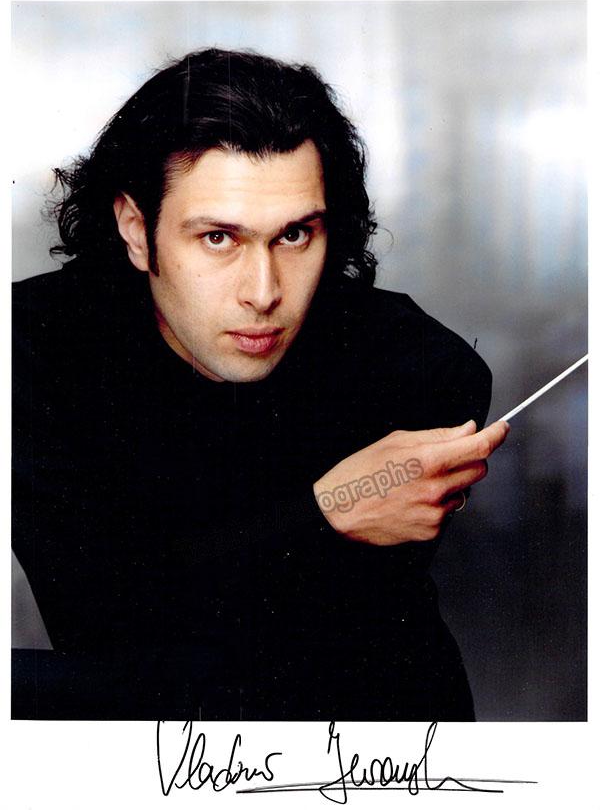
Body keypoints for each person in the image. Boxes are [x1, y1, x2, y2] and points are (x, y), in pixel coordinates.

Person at [12, 48, 509, 721]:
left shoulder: (415, 364)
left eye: (295, 234)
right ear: (136, 229)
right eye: (219, 238)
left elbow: (319, 663)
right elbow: (105, 624)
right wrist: (328, 512)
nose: (264, 292)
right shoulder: (30, 347)